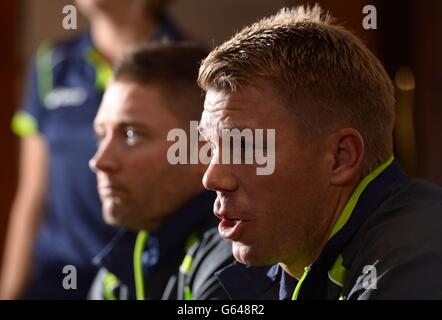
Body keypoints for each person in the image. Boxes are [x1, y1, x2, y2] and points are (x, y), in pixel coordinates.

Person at [197, 5, 442, 299]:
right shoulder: (290, 256)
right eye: (211, 147)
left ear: (341, 157)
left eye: (245, 146)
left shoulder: (419, 260)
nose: (212, 178)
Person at [0, 0, 183, 299]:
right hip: (57, 277)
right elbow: (31, 195)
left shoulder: (190, 67)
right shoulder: (52, 63)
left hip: (145, 278)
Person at [87, 43, 237, 300]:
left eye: (131, 134)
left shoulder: (237, 257)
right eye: (102, 134)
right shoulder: (124, 260)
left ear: (205, 150)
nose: (99, 161)